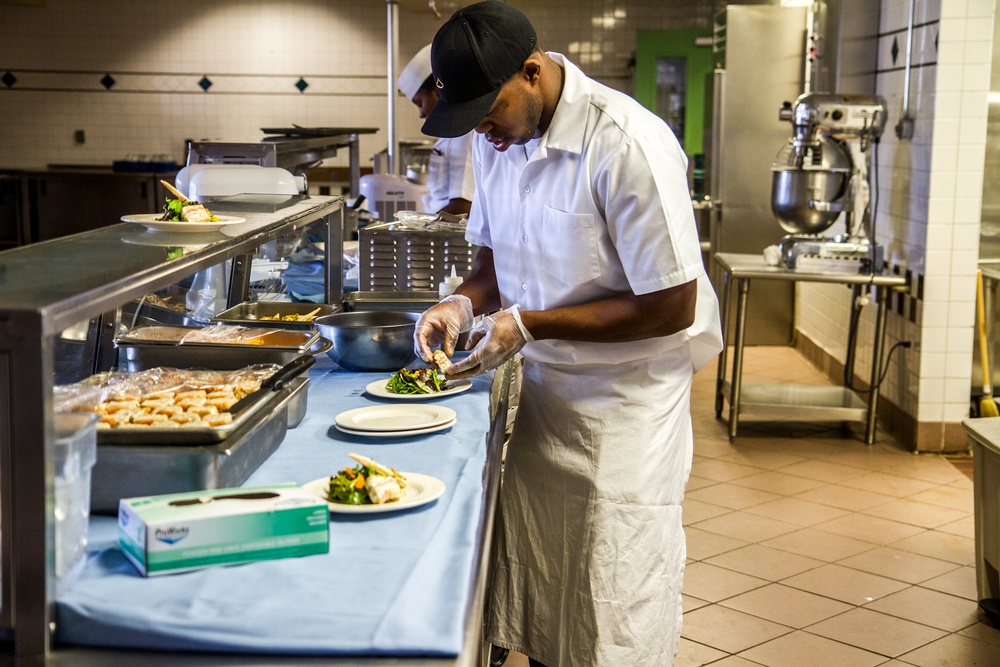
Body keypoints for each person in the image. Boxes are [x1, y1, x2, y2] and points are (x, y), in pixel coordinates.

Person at [412, 2, 723, 666]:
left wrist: (527, 323)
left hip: (623, 410)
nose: (484, 134)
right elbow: (493, 263)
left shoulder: (626, 143)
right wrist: (461, 306)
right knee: (547, 592)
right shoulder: (497, 140)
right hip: (545, 395)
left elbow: (672, 303)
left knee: (608, 599)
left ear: (531, 72)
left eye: (489, 113)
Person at [396, 43, 476, 216]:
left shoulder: (463, 135)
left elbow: (463, 207)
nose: (421, 113)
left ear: (438, 92)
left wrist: (423, 227)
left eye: (420, 103)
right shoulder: (450, 135)